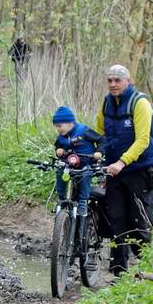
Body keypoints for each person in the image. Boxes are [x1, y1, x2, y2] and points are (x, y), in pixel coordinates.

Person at [95, 64, 153, 277]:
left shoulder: (140, 103)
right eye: (110, 80)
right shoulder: (107, 103)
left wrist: (122, 162)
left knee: (140, 223)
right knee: (117, 221)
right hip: (115, 172)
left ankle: (146, 273)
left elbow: (143, 139)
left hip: (140, 172)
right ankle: (119, 274)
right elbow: (98, 131)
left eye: (118, 80)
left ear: (128, 81)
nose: (113, 84)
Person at [51, 105, 105, 247]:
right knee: (60, 171)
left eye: (60, 126)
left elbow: (101, 140)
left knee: (85, 177)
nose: (58, 129)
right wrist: (59, 151)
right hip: (69, 166)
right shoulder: (61, 137)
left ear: (70, 123)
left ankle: (82, 204)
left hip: (85, 166)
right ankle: (63, 199)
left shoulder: (84, 131)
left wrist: (99, 152)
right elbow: (57, 147)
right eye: (56, 127)